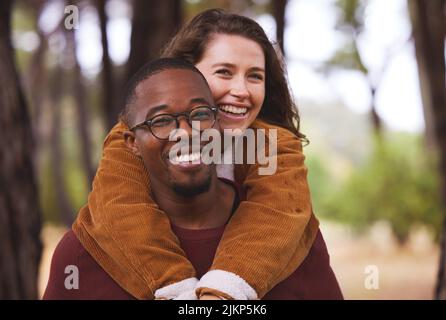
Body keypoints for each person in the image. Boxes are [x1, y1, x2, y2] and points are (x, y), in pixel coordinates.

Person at [73, 9, 324, 300]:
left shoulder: (271, 143)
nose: (241, 90)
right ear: (186, 72)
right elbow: (119, 207)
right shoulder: (136, 137)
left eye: (255, 76)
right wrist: (179, 292)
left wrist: (223, 292)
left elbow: (279, 210)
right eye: (224, 72)